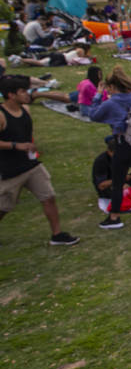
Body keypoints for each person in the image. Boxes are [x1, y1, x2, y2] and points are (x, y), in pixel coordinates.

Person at [0, 75, 79, 245]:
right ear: (11, 95)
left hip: (31, 164)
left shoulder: (26, 110)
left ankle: (57, 235)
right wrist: (16, 145)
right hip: (10, 169)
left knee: (48, 196)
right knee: (4, 206)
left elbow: (25, 132)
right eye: (22, 91)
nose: (27, 94)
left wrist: (30, 146)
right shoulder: (1, 115)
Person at [90, 67, 131, 228]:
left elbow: (94, 115)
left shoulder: (112, 102)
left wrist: (98, 96)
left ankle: (114, 217)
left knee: (118, 181)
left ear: (112, 87)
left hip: (124, 144)